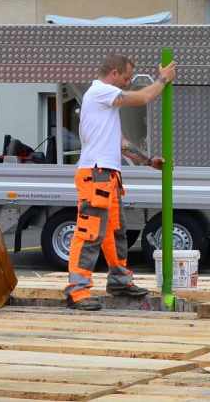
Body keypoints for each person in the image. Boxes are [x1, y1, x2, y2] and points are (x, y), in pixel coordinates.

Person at [64, 54, 177, 310]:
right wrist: (162, 79)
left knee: (115, 233)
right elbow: (143, 98)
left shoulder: (105, 106)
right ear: (113, 73)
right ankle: (77, 291)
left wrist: (148, 160)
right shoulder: (100, 91)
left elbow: (121, 143)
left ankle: (119, 281)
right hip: (96, 175)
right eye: (126, 78)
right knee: (89, 233)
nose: (127, 83)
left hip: (108, 176)